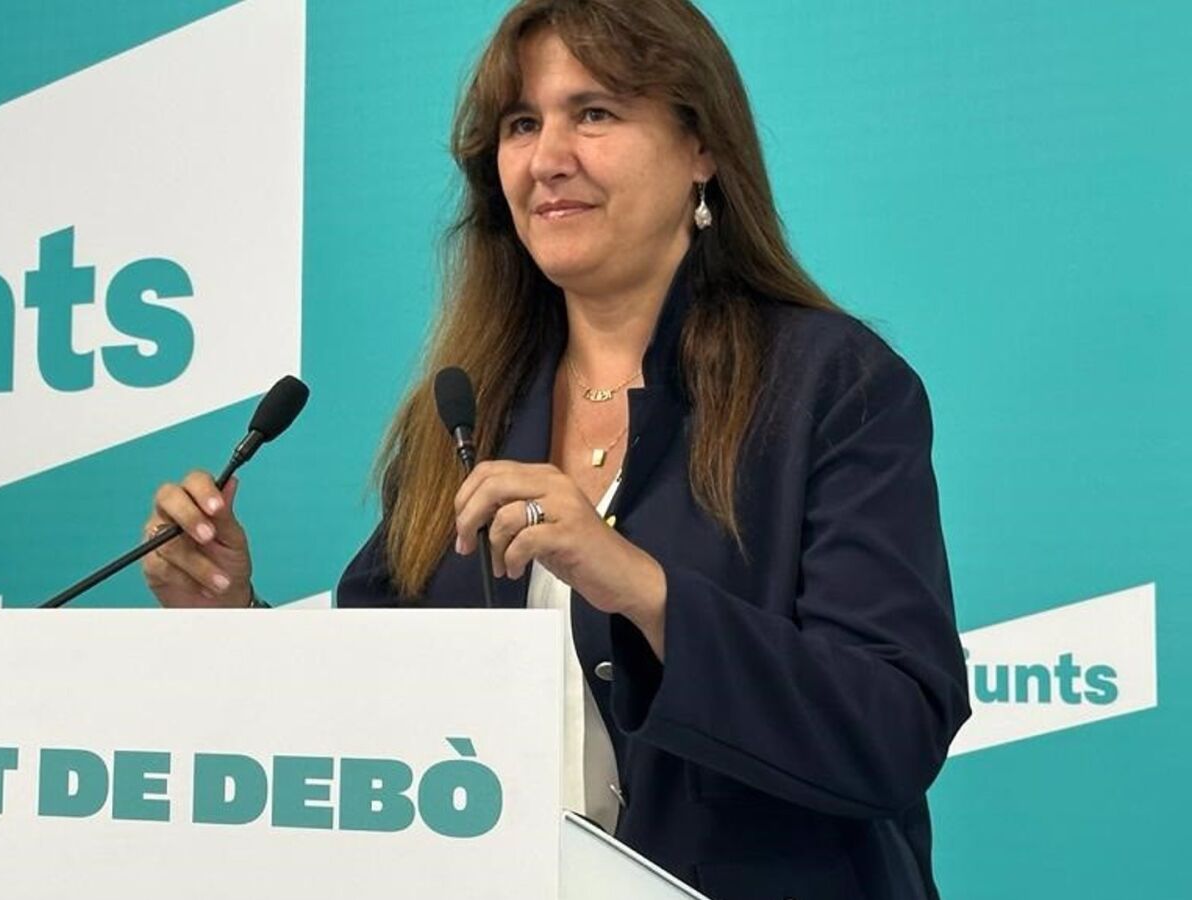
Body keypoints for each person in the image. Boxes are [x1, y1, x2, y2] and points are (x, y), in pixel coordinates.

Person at [142, 1, 970, 897]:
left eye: (595, 113)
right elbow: (381, 734)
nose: (548, 159)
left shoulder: (832, 385)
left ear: (703, 148)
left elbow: (892, 729)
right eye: (521, 124)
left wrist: (638, 586)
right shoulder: (465, 415)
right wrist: (234, 619)